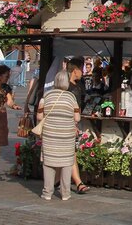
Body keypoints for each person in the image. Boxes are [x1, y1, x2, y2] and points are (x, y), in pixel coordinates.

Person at [38, 70, 80, 201]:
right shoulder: (71, 97)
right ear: (67, 82)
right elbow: (77, 117)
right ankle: (65, 193)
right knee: (67, 164)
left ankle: (47, 193)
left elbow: (39, 116)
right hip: (66, 135)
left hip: (49, 134)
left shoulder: (46, 96)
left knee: (49, 164)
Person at [63, 57, 90, 194]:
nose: (83, 72)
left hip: (73, 122)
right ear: (75, 70)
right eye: (81, 68)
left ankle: (58, 180)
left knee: (69, 153)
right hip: (67, 123)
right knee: (71, 153)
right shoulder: (67, 87)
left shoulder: (78, 85)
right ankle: (78, 182)